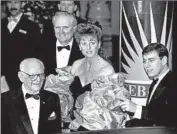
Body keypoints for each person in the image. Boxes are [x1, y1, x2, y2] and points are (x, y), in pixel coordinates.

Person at [120, 43, 177, 127]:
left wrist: (137, 108)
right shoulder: (155, 82)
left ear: (164, 60)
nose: (146, 65)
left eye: (151, 60)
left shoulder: (173, 82)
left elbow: (169, 118)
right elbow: (153, 120)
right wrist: (129, 123)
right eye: (144, 61)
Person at [1, 58, 62, 134]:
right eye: (32, 76)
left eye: (41, 75)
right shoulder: (4, 100)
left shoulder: (52, 98)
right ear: (21, 76)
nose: (38, 80)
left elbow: (56, 130)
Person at [1, 1, 41, 90]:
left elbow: (37, 53)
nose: (12, 6)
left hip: (22, 77)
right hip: (2, 76)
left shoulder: (32, 26)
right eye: (10, 2)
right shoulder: (1, 24)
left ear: (22, 4)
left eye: (16, 2)